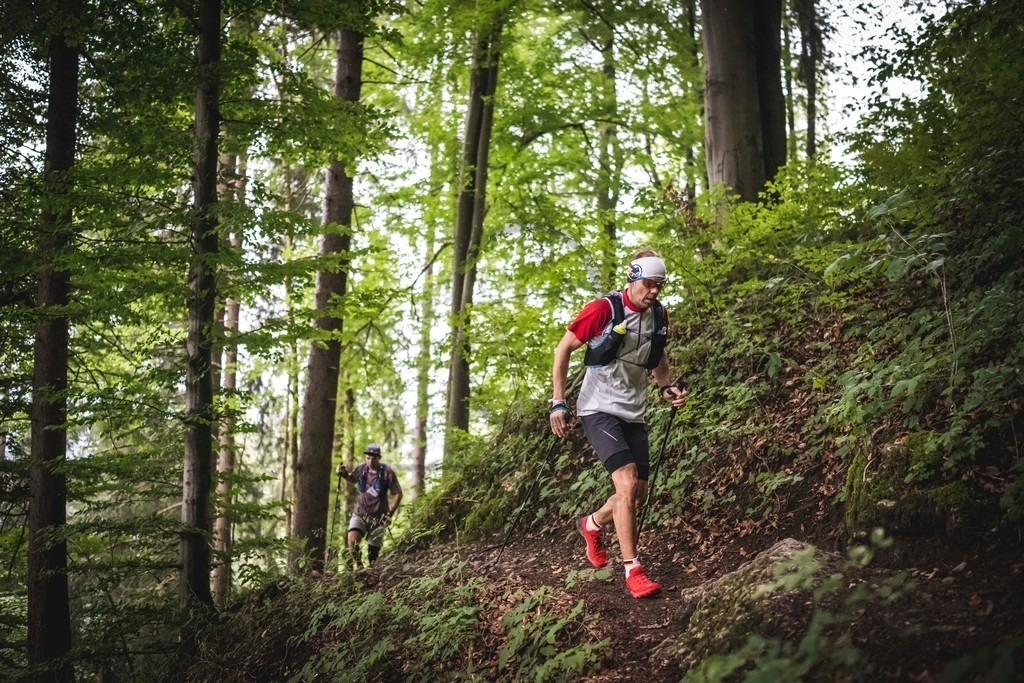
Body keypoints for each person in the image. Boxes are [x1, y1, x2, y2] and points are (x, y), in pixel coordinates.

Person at [550, 249, 687, 598]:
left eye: (660, 285)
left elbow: (657, 356)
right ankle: (633, 570)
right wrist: (558, 402)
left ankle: (591, 524)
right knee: (625, 483)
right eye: (649, 284)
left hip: (634, 410)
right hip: (598, 408)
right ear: (632, 278)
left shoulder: (658, 314)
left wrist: (666, 386)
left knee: (636, 495)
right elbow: (563, 349)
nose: (654, 291)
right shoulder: (603, 310)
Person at [337, 443, 403, 567]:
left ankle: (371, 572)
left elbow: (398, 493)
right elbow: (352, 479)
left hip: (379, 517)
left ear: (379, 458)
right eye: (368, 458)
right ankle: (360, 567)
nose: (370, 461)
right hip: (360, 512)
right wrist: (344, 474)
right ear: (365, 458)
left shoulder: (387, 472)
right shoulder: (362, 469)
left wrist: (390, 513)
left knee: (373, 555)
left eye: (374, 458)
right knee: (352, 540)